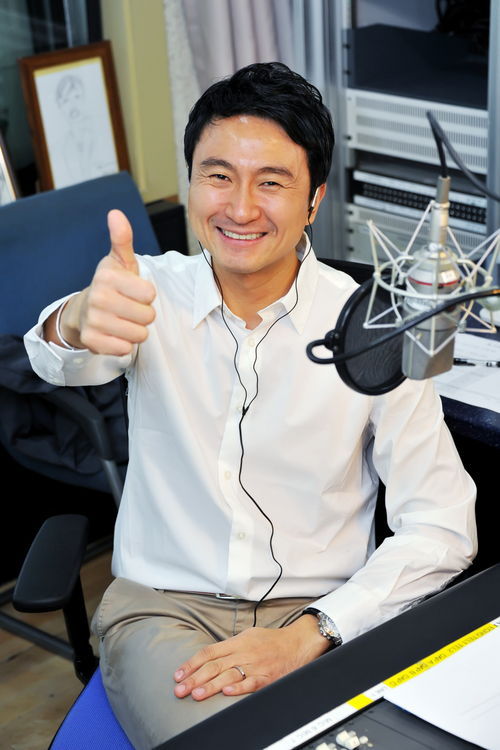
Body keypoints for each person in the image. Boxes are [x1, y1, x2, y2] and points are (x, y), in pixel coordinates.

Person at [24, 62, 477, 749]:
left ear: (314, 201)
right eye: (218, 176)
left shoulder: (374, 330)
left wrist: (314, 631)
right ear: (191, 183)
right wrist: (77, 319)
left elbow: (443, 523)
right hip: (164, 613)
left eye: (271, 182)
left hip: (323, 616)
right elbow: (56, 353)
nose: (239, 209)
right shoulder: (144, 293)